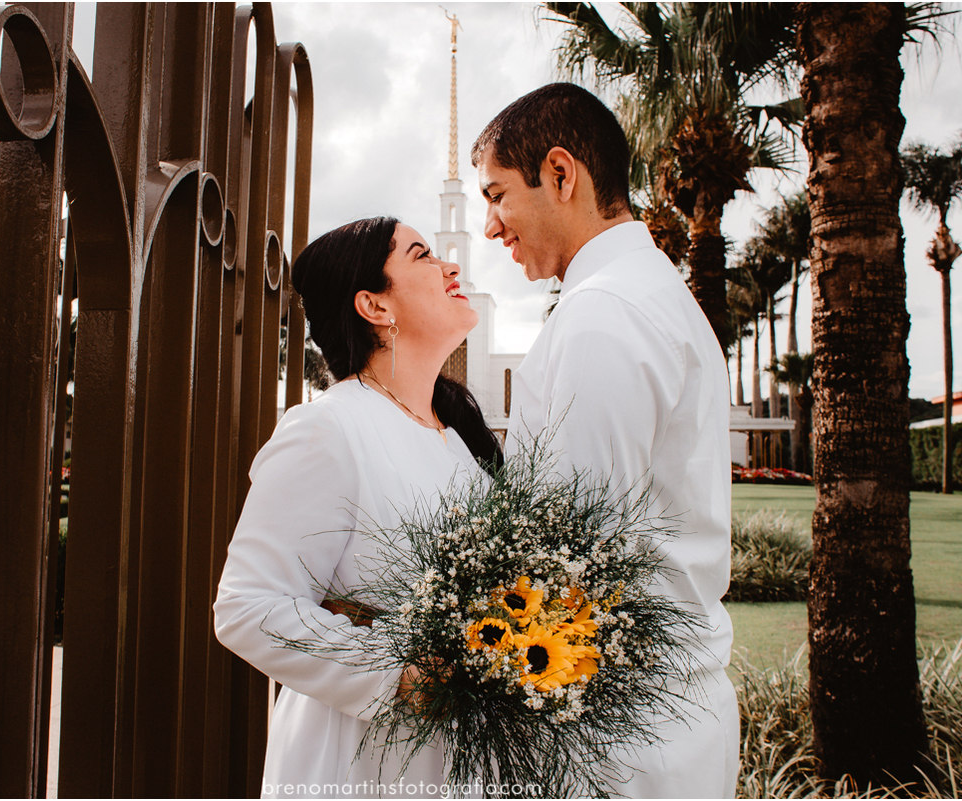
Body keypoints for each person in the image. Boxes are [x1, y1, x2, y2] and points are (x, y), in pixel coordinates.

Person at [471, 83, 739, 797]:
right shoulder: (651, 293)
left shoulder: (605, 315)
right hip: (665, 716)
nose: (490, 226)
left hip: (616, 737)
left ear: (562, 174)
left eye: (497, 194)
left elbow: (566, 556)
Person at [213, 217, 502, 799]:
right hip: (361, 758)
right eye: (421, 255)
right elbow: (246, 606)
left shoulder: (460, 439)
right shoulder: (327, 428)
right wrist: (400, 674)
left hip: (461, 756)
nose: (451, 267)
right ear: (375, 305)